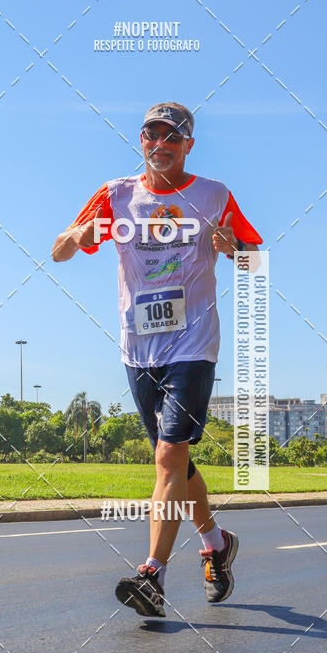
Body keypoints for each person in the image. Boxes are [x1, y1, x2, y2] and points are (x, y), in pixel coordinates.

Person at [52, 102, 263, 617]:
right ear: (141, 141)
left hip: (193, 344)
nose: (161, 144)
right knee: (178, 460)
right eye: (152, 135)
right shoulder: (117, 195)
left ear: (189, 145)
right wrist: (76, 239)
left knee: (168, 457)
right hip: (138, 347)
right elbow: (58, 252)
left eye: (173, 137)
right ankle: (215, 543)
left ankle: (153, 574)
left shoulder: (213, 195)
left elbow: (256, 260)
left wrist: (233, 247)